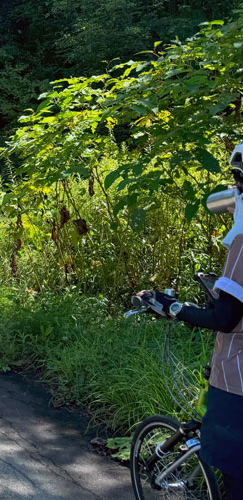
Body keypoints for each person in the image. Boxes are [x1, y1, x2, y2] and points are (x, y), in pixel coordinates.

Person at [138, 143, 243, 499]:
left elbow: (226, 318)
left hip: (237, 381)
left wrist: (173, 308)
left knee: (236, 479)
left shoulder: (242, 241)